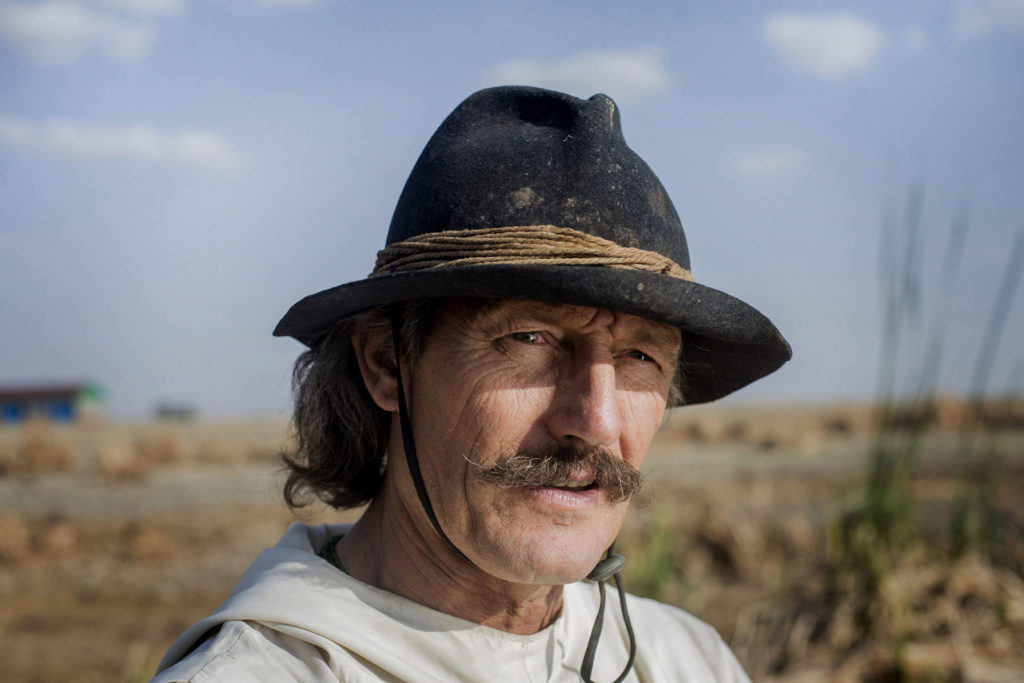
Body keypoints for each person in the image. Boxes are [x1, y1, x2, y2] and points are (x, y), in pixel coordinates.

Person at [151, 85, 790, 682]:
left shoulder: (687, 661)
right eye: (530, 338)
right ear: (385, 363)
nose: (595, 421)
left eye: (639, 357)